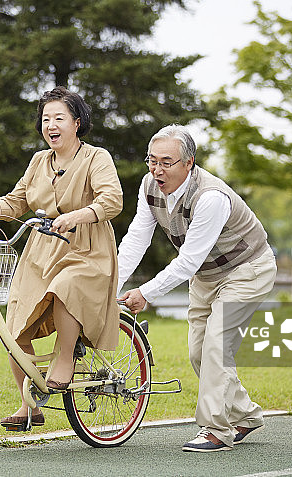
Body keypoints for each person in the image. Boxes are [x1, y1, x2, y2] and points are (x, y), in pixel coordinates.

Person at [0, 86, 123, 429]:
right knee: (15, 325)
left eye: (59, 118)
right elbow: (15, 203)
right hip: (41, 250)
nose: (51, 124)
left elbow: (112, 201)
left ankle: (65, 358)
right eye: (46, 118)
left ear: (77, 123)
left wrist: (79, 216)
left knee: (66, 286)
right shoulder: (38, 161)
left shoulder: (97, 158)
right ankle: (29, 404)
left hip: (86, 248)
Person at [117, 124, 277, 452]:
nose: (157, 169)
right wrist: (112, 285)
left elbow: (188, 260)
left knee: (217, 346)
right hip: (206, 276)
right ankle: (244, 415)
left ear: (188, 163)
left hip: (247, 270)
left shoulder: (210, 197)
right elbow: (137, 238)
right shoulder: (150, 186)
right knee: (198, 353)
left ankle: (216, 430)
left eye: (166, 162)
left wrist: (145, 292)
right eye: (152, 160)